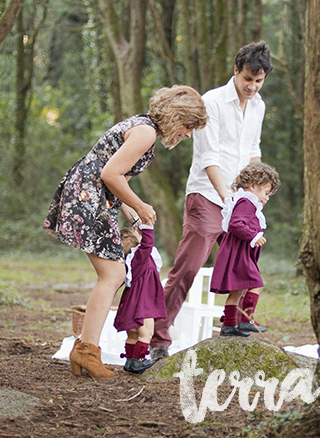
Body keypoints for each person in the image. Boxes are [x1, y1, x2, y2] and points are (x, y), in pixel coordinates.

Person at [44, 86, 207, 378]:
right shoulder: (145, 133)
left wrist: (126, 209)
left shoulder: (144, 128)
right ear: (176, 116)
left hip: (96, 197)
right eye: (188, 126)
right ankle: (86, 351)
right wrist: (140, 204)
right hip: (88, 197)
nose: (188, 134)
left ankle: (85, 350)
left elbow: (110, 174)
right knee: (113, 275)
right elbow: (109, 174)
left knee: (113, 274)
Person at [152, 41, 272, 358]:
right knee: (188, 269)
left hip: (240, 201)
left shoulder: (258, 106)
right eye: (248, 79)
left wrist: (255, 193)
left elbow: (253, 151)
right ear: (236, 70)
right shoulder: (213, 102)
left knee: (245, 265)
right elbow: (209, 156)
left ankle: (236, 324)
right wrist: (228, 198)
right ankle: (157, 339)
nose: (252, 86)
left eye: (258, 81)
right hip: (208, 196)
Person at [209, 163, 279, 336]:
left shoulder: (244, 202)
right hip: (239, 254)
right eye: (266, 192)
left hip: (238, 253)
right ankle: (246, 320)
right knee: (256, 284)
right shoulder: (246, 202)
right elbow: (235, 224)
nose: (267, 198)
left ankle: (229, 325)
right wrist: (253, 236)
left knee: (237, 290)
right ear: (254, 186)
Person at [113, 222, 164, 373]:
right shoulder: (141, 258)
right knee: (147, 334)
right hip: (143, 304)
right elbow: (148, 243)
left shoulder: (131, 262)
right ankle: (138, 360)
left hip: (131, 304)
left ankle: (130, 360)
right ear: (136, 244)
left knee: (133, 335)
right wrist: (147, 226)